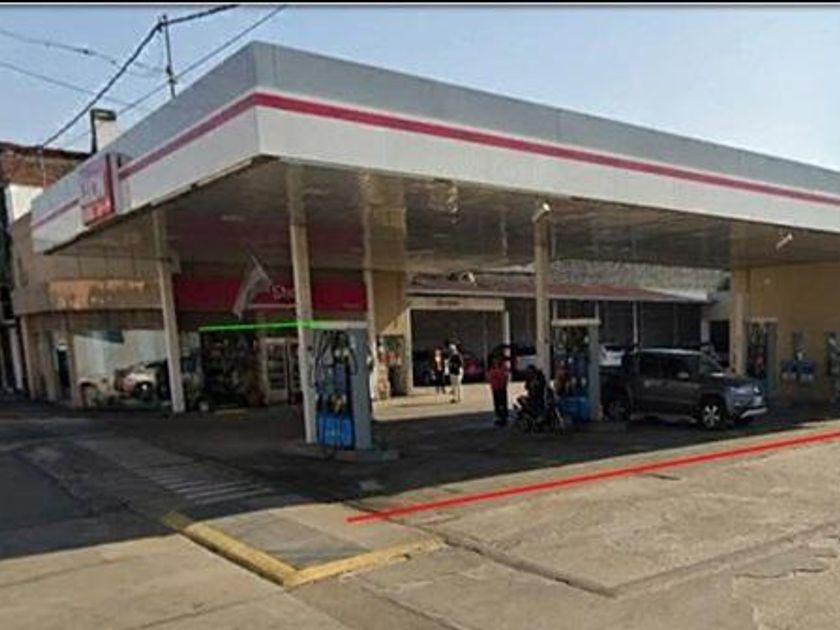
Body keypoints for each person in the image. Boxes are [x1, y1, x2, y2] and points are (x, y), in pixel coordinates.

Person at [487, 359, 509, 426]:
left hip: (501, 388)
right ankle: (498, 416)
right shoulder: (492, 368)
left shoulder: (503, 367)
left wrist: (502, 383)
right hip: (495, 388)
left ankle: (503, 417)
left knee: (502, 403)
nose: (495, 362)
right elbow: (490, 377)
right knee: (496, 403)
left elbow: (505, 377)